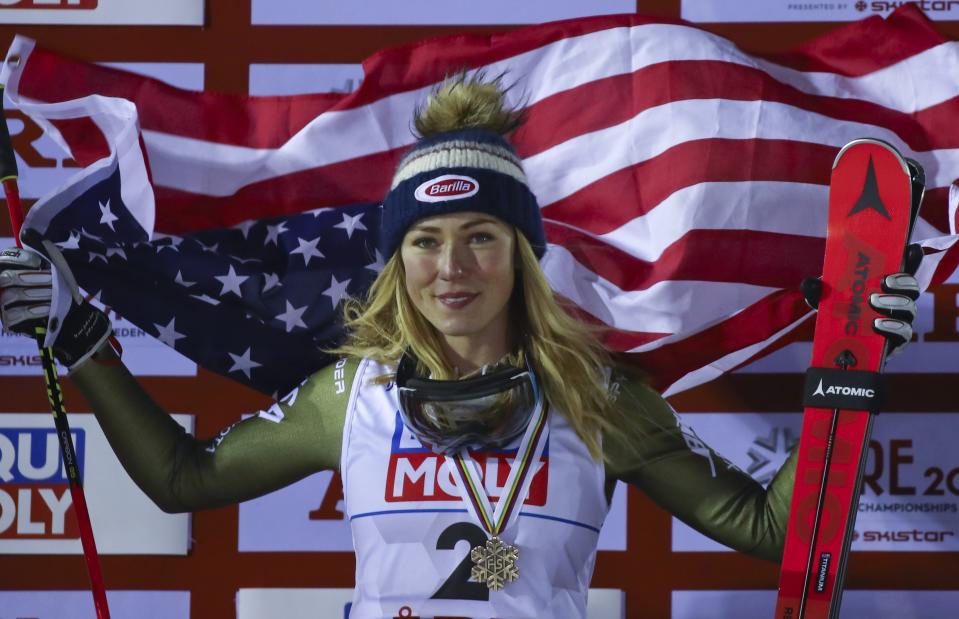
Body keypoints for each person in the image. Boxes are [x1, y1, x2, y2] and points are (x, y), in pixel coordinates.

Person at [0, 76, 920, 618]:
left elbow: (774, 532)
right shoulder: (349, 393)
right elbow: (184, 481)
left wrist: (846, 368)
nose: (452, 267)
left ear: (522, 255)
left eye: (481, 235)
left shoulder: (595, 397)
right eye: (425, 242)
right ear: (396, 259)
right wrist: (85, 342)